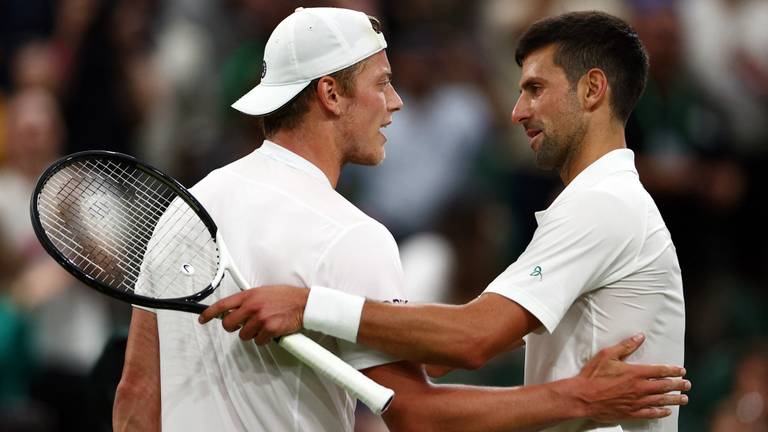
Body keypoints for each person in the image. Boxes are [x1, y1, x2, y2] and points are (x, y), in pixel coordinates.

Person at [115, 7, 688, 431]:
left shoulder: (182, 211)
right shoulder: (353, 236)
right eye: (382, 83)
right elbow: (426, 400)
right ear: (331, 95)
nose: (396, 102)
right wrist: (580, 397)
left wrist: (308, 307)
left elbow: (136, 397)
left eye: (535, 89)